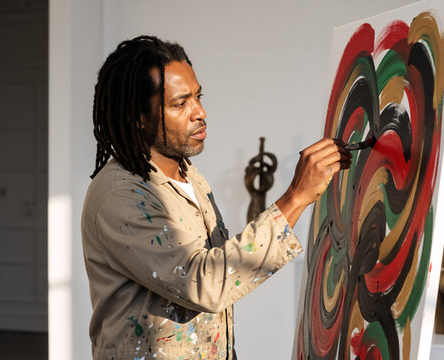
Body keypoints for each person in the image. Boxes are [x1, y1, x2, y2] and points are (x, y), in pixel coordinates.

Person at [81, 35, 351, 360]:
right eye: (180, 104)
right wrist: (295, 198)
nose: (200, 112)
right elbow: (203, 284)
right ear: (137, 117)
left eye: (198, 96)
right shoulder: (121, 195)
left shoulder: (190, 177)